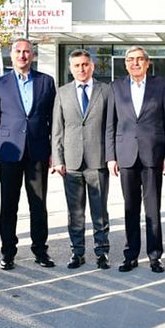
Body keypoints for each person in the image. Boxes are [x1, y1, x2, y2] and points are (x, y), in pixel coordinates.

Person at [0, 39, 57, 270]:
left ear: (33, 55)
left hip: (38, 152)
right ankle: (8, 252)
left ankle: (40, 250)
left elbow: (53, 120)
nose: (22, 55)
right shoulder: (0, 83)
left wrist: (54, 152)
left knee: (38, 205)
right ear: (11, 55)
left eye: (27, 51)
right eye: (18, 51)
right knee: (9, 205)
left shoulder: (46, 81)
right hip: (9, 153)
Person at [107, 46, 165, 273]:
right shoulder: (116, 87)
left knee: (153, 208)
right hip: (126, 154)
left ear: (147, 63)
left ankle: (155, 256)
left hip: (153, 154)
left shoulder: (161, 85)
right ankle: (131, 255)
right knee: (130, 208)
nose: (135, 63)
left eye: (139, 59)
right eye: (130, 59)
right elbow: (110, 125)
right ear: (125, 64)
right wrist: (111, 157)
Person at [51, 50, 111, 269]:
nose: (81, 69)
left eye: (85, 64)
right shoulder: (62, 93)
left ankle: (102, 252)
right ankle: (77, 252)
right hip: (71, 162)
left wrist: (111, 157)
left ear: (92, 66)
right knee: (75, 212)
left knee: (99, 211)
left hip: (98, 160)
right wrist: (58, 159)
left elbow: (111, 127)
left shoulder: (106, 90)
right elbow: (57, 130)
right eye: (77, 65)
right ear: (71, 68)